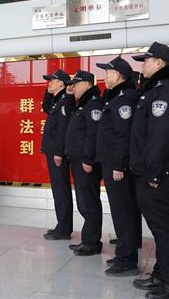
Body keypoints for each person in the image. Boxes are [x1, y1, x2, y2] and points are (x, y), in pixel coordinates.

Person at [130, 42, 169, 298]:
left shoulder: (164, 91)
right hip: (155, 171)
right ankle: (162, 274)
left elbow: (160, 136)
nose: (142, 65)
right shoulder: (157, 89)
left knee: (165, 230)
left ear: (159, 63)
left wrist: (153, 173)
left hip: (160, 174)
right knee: (161, 229)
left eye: (146, 60)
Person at [95, 57, 141, 276]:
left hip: (117, 165)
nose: (104, 77)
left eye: (107, 73)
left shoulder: (124, 99)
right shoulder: (116, 97)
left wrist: (118, 165)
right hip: (113, 162)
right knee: (121, 211)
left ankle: (127, 258)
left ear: (118, 75)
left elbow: (124, 136)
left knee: (123, 211)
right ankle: (124, 251)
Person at [64, 70, 104, 255]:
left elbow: (92, 134)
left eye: (76, 84)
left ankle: (92, 243)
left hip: (85, 163)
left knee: (88, 202)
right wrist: (70, 96)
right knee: (84, 202)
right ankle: (87, 239)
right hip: (78, 161)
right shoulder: (83, 103)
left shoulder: (94, 103)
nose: (72, 87)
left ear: (86, 84)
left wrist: (88, 159)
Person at [41, 69, 76, 240]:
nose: (49, 83)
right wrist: (47, 92)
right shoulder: (59, 101)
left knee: (61, 190)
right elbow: (45, 107)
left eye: (51, 81)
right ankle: (61, 225)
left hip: (57, 153)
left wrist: (59, 152)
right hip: (54, 152)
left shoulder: (65, 101)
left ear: (61, 83)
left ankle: (64, 229)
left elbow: (63, 129)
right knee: (58, 190)